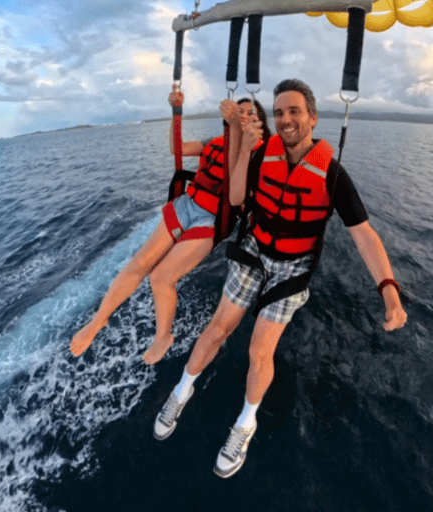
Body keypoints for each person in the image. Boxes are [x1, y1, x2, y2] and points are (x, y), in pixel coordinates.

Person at [153, 79, 407, 478]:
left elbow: (364, 234)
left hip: (292, 267)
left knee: (259, 351)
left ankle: (245, 423)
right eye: (280, 112)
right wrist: (243, 143)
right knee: (218, 328)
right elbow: (236, 198)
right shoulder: (262, 152)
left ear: (312, 118)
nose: (286, 119)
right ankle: (182, 390)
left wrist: (388, 289)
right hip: (255, 250)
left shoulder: (332, 174)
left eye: (294, 111)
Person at [69, 86, 271, 363]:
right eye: (240, 111)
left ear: (261, 122)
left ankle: (163, 336)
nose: (244, 116)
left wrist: (238, 131)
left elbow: (239, 189)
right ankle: (97, 321)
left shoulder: (260, 153)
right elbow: (177, 150)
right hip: (186, 204)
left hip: (212, 219)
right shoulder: (215, 141)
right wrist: (176, 112)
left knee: (161, 278)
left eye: (251, 113)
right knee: (139, 263)